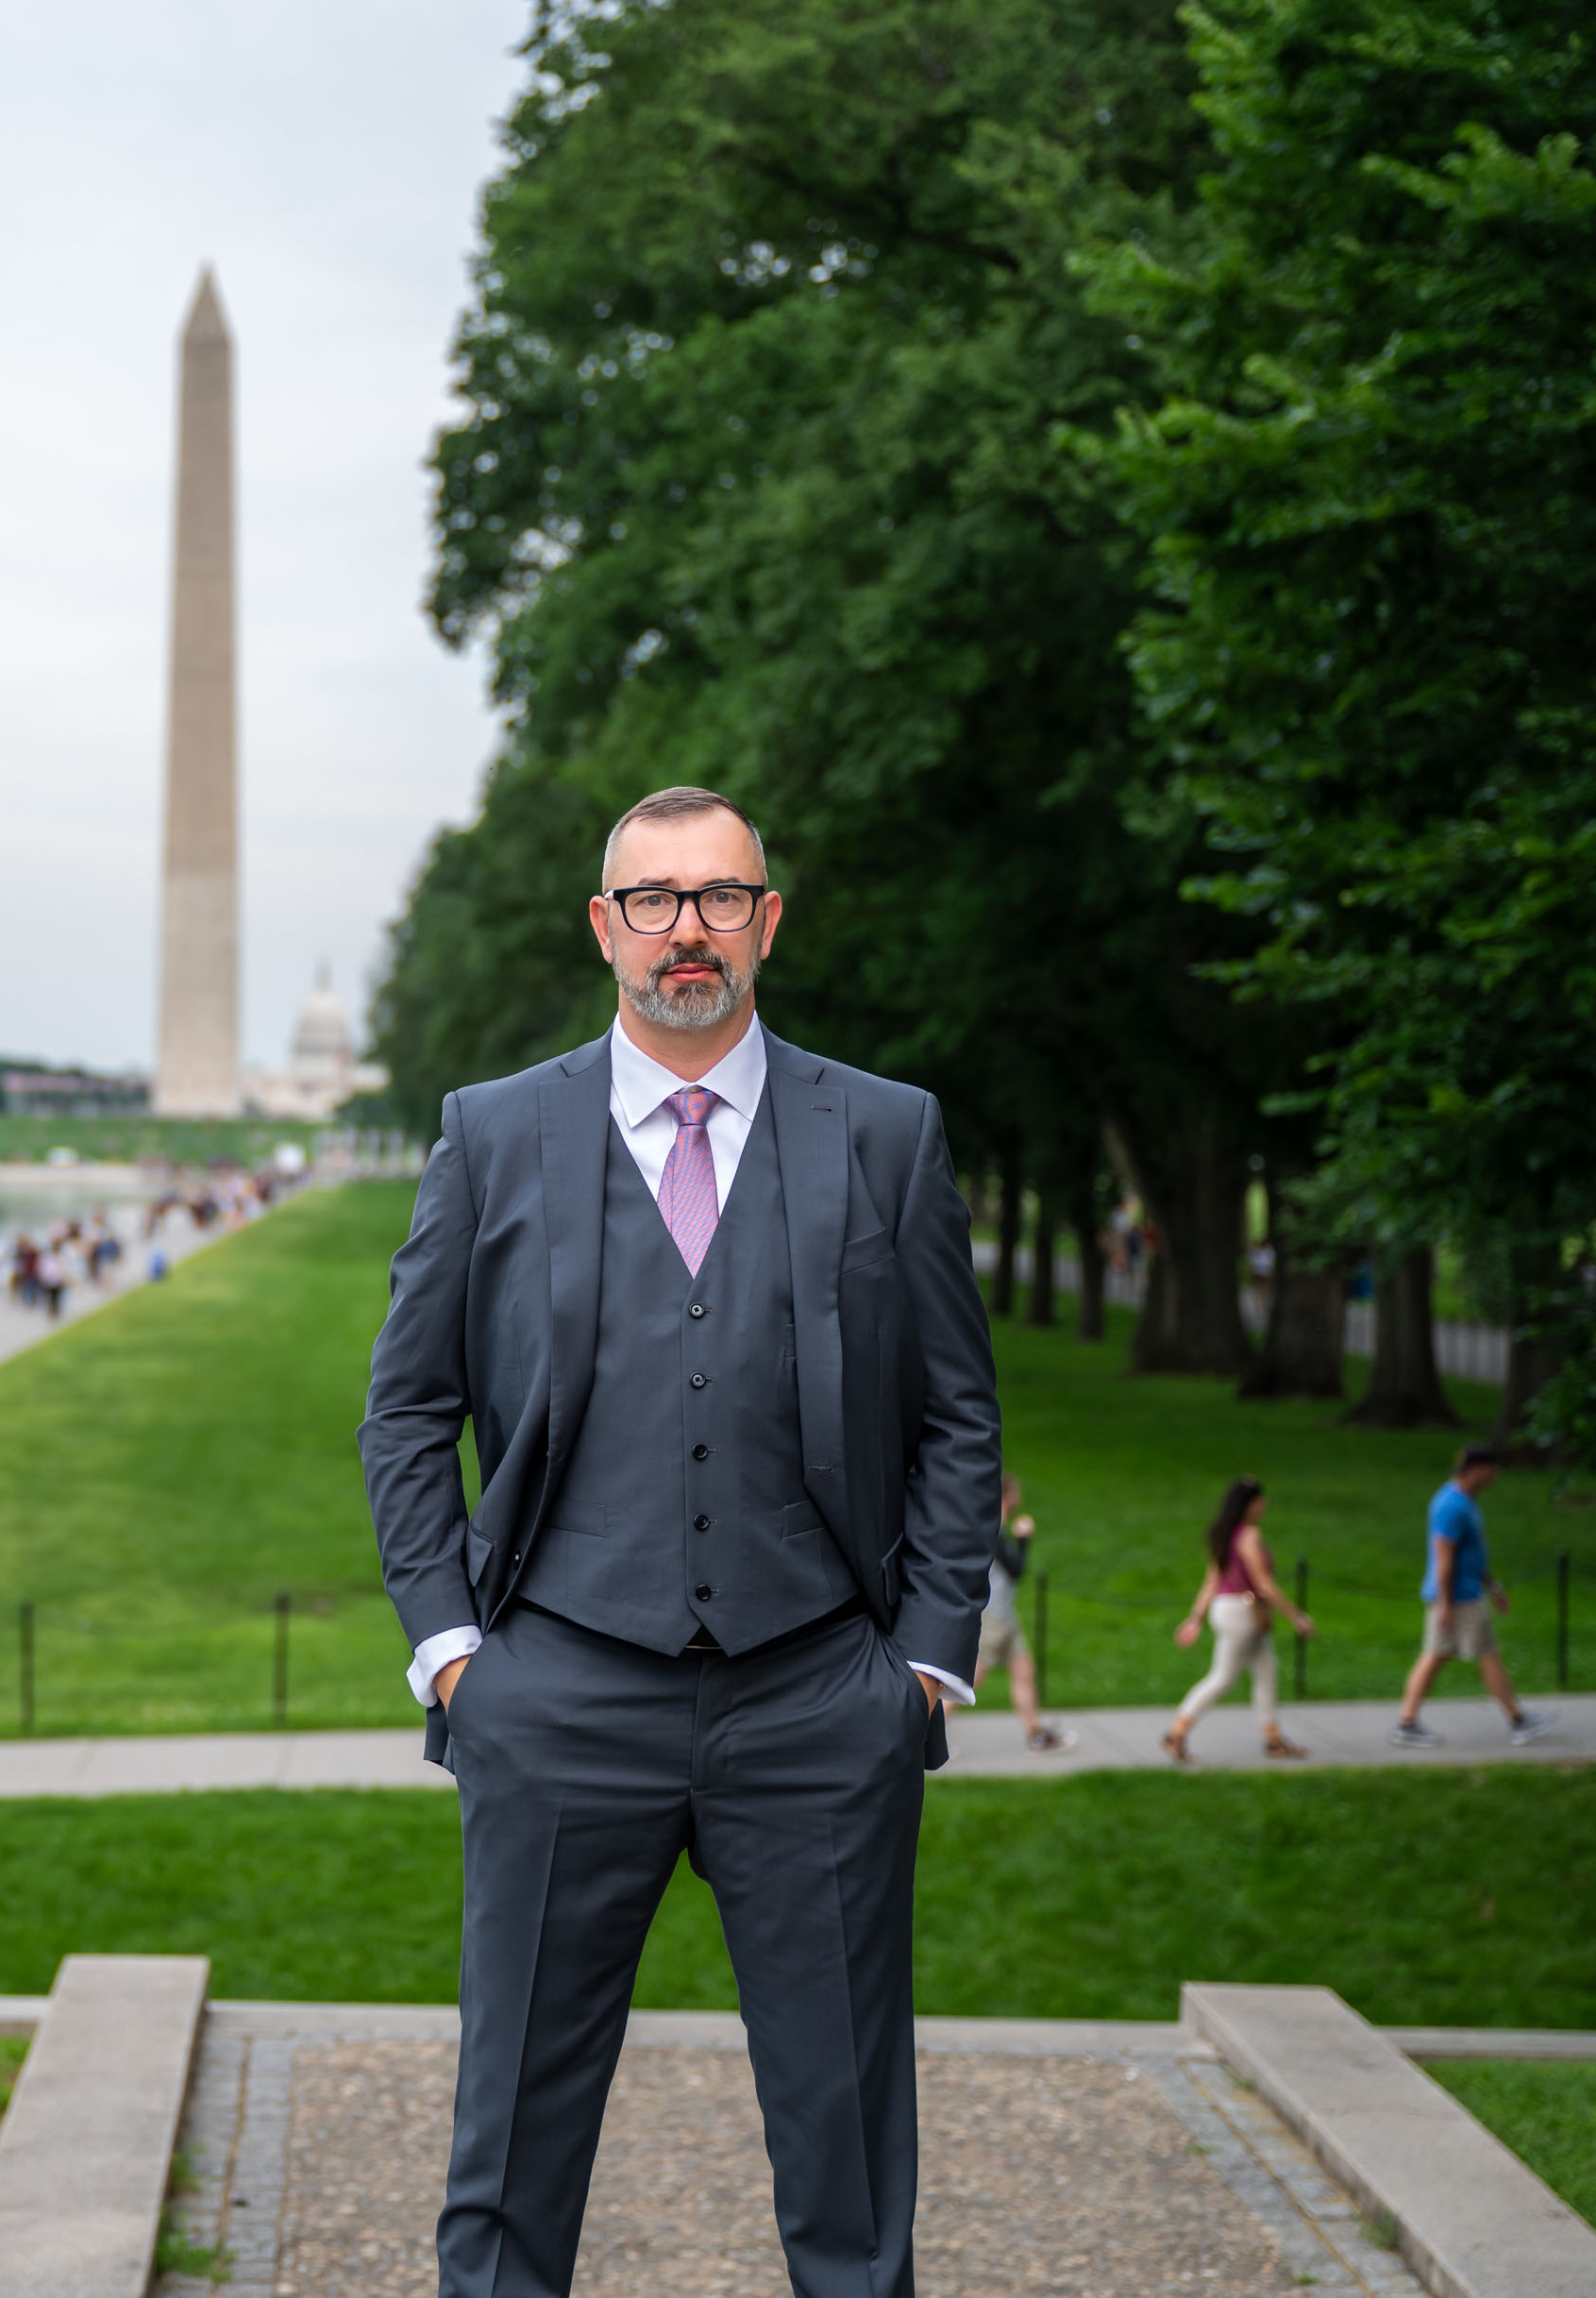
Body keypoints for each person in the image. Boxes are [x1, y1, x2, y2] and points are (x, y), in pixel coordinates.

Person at [360, 785, 997, 2298]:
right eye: (655, 899)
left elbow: (959, 1415)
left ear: (767, 921)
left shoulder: (888, 1135)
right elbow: (405, 1411)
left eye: (721, 896)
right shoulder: (494, 1132)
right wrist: (455, 1656)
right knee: (507, 2153)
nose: (687, 929)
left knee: (850, 2166)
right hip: (558, 1691)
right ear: (606, 928)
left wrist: (922, 1665)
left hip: (820, 1699)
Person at [1392, 1443, 1558, 1748]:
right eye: (1492, 1470)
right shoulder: (1451, 1505)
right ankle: (1518, 1721)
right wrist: (1445, 1604)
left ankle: (1407, 1722)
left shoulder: (1466, 1501)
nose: (1495, 1476)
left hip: (1464, 1593)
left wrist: (1492, 1586)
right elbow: (1444, 1558)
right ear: (1477, 1470)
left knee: (1440, 1656)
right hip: (1458, 1597)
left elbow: (1473, 1554)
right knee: (1485, 1655)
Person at [1163, 1477, 1314, 1763]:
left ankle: (1273, 1738)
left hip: (1227, 1608)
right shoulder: (1248, 1537)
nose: (1264, 1505)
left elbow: (1212, 1580)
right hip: (1241, 1613)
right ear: (1252, 1504)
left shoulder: (1225, 1535)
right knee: (1223, 1677)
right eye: (1261, 1499)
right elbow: (1265, 1584)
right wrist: (1296, 1616)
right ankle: (1177, 1732)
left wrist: (1195, 1618)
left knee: (1266, 1670)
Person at [947, 1474, 1067, 1751]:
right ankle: (923, 1738)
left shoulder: (991, 1525)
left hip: (1005, 1615)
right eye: (1016, 1492)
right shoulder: (991, 1527)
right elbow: (1015, 1570)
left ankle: (1035, 1733)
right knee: (970, 1679)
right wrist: (1024, 1539)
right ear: (1008, 1496)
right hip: (991, 1617)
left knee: (1024, 1670)